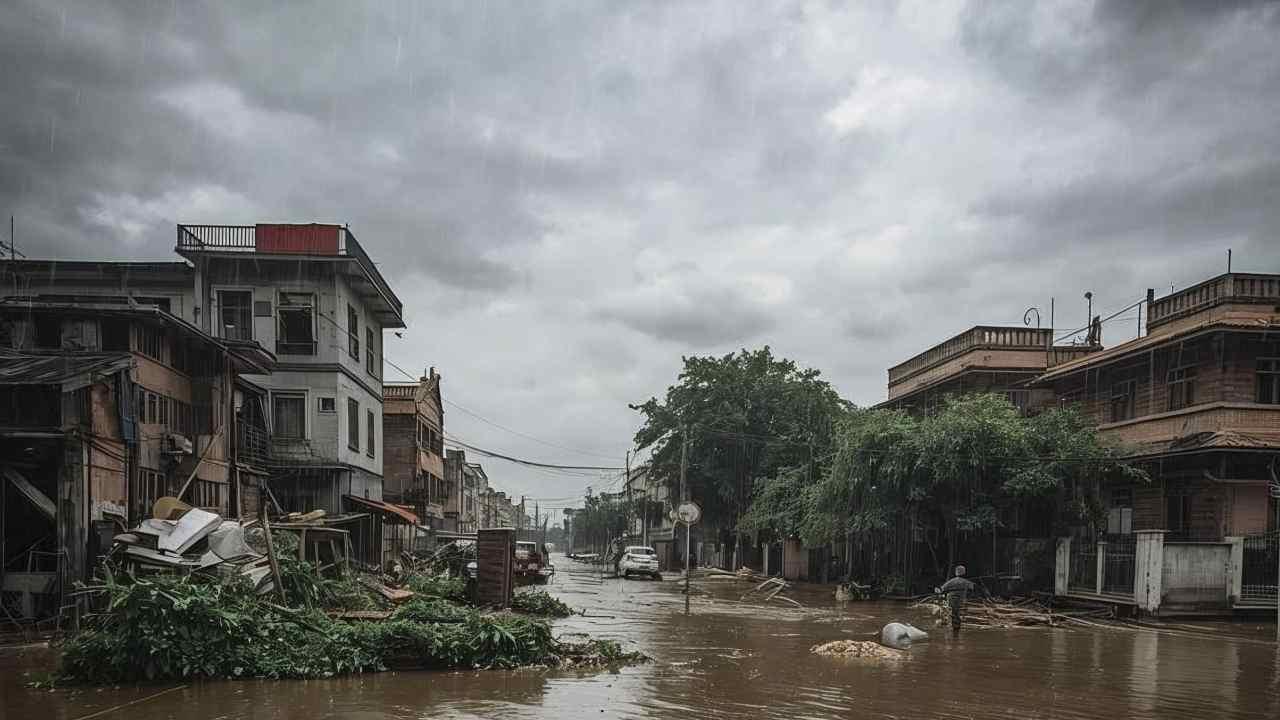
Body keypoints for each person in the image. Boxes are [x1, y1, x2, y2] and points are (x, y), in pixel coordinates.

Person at [936, 565, 976, 635]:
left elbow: (941, 590)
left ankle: (955, 631)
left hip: (951, 600)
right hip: (961, 600)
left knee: (953, 614)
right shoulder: (967, 582)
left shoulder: (951, 581)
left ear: (956, 572)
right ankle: (956, 630)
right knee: (956, 614)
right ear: (964, 572)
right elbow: (972, 589)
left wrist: (937, 590)